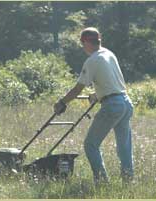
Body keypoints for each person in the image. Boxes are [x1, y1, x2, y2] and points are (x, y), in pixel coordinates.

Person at [53, 27, 134, 185]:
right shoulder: (109, 54)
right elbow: (113, 83)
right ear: (98, 40)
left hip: (112, 105)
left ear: (86, 42)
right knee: (124, 147)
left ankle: (102, 182)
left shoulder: (93, 60)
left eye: (82, 44)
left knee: (90, 145)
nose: (83, 48)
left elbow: (78, 88)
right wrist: (97, 95)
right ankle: (128, 181)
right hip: (125, 102)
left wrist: (62, 102)